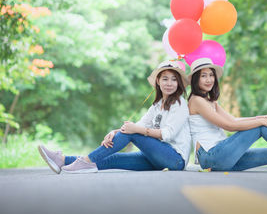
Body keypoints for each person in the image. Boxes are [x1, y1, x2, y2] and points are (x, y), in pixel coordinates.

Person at [38, 60, 191, 173]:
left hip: (175, 160)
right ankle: (62, 160)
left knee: (132, 132)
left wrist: (131, 130)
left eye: (174, 79)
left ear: (178, 83)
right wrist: (115, 132)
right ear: (158, 81)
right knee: (113, 159)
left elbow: (167, 134)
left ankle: (87, 161)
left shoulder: (179, 104)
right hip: (157, 159)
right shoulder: (157, 105)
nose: (169, 83)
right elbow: (138, 124)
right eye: (165, 79)